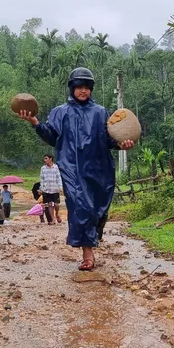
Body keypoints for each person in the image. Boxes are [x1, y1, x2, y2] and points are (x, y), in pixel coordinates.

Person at [18, 67, 135, 271]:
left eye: (87, 87)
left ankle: (91, 238)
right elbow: (52, 137)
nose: (83, 91)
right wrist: (36, 123)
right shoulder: (60, 112)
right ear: (72, 88)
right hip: (72, 168)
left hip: (99, 167)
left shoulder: (100, 112)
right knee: (82, 207)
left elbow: (109, 139)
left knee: (98, 209)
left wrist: (121, 144)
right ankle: (88, 255)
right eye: (79, 87)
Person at [39, 154, 62, 224]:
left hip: (55, 188)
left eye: (46, 158)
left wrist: (60, 187)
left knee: (56, 204)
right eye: (44, 159)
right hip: (47, 189)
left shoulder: (56, 167)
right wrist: (41, 188)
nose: (44, 160)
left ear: (50, 159)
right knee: (49, 204)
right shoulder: (43, 168)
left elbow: (58, 177)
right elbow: (41, 179)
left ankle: (57, 214)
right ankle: (53, 219)